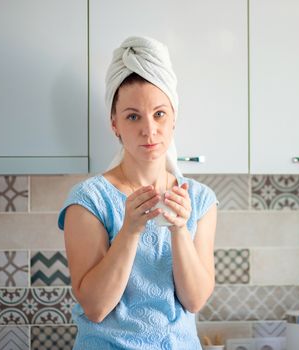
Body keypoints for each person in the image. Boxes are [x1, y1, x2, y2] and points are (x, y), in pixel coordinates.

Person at [57, 36, 218, 349]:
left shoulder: (200, 200)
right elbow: (96, 307)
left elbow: (195, 300)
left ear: (174, 120)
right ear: (114, 123)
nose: (149, 130)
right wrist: (130, 230)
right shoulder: (88, 201)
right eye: (133, 116)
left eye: (159, 114)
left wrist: (180, 229)